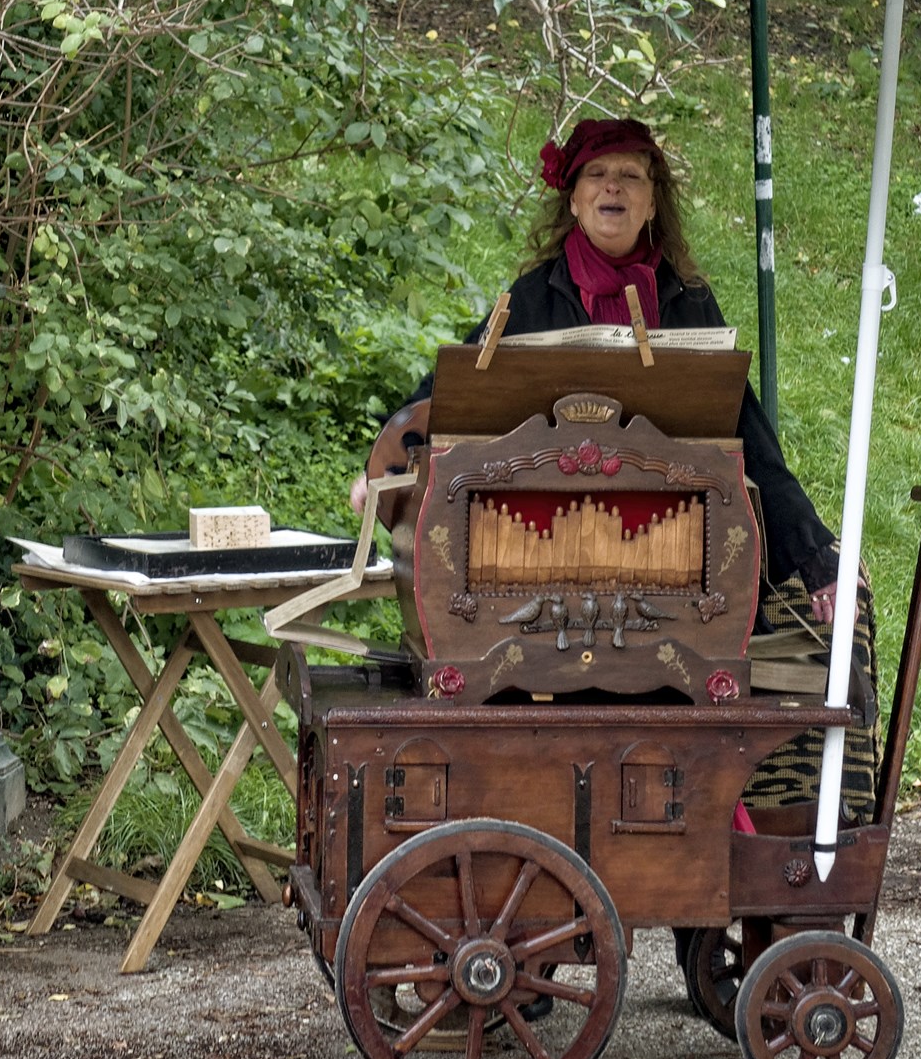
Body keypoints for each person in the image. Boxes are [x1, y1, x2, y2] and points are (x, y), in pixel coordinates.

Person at [357, 116, 878, 742]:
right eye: (598, 176)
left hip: (663, 555)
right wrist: (383, 473)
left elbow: (748, 437)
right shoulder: (527, 300)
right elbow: (448, 397)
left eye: (631, 176)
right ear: (574, 199)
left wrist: (813, 551)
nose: (614, 188)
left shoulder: (687, 301)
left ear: (652, 200)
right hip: (543, 554)